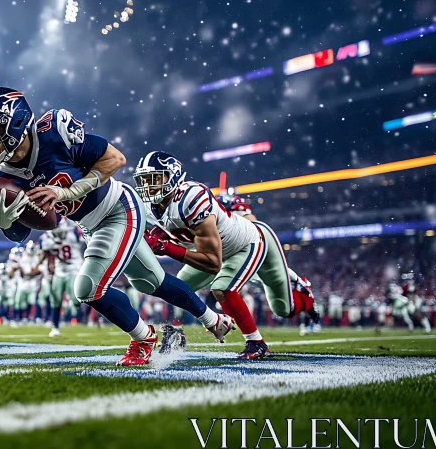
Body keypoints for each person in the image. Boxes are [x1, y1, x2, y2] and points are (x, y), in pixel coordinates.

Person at [0, 87, 233, 365]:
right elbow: (25, 232)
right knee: (152, 282)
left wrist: (66, 193)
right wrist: (6, 221)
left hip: (118, 208)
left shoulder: (53, 132)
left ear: (17, 121)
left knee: (87, 289)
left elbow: (114, 159)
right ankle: (214, 320)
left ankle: (144, 338)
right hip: (90, 225)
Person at [133, 151, 318, 359]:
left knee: (278, 306)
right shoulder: (149, 207)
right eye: (146, 180)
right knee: (176, 288)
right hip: (214, 251)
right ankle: (175, 333)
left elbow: (213, 263)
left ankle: (260, 339)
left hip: (246, 243)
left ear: (173, 176)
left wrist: (167, 248)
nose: (150, 186)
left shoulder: (191, 200)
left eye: (156, 179)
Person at [40, 219, 85, 337]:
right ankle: (55, 327)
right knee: (56, 300)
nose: (58, 234)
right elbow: (45, 253)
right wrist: (40, 266)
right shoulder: (47, 239)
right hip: (59, 271)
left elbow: (86, 242)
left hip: (74, 269)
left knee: (76, 298)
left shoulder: (74, 232)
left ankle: (81, 314)